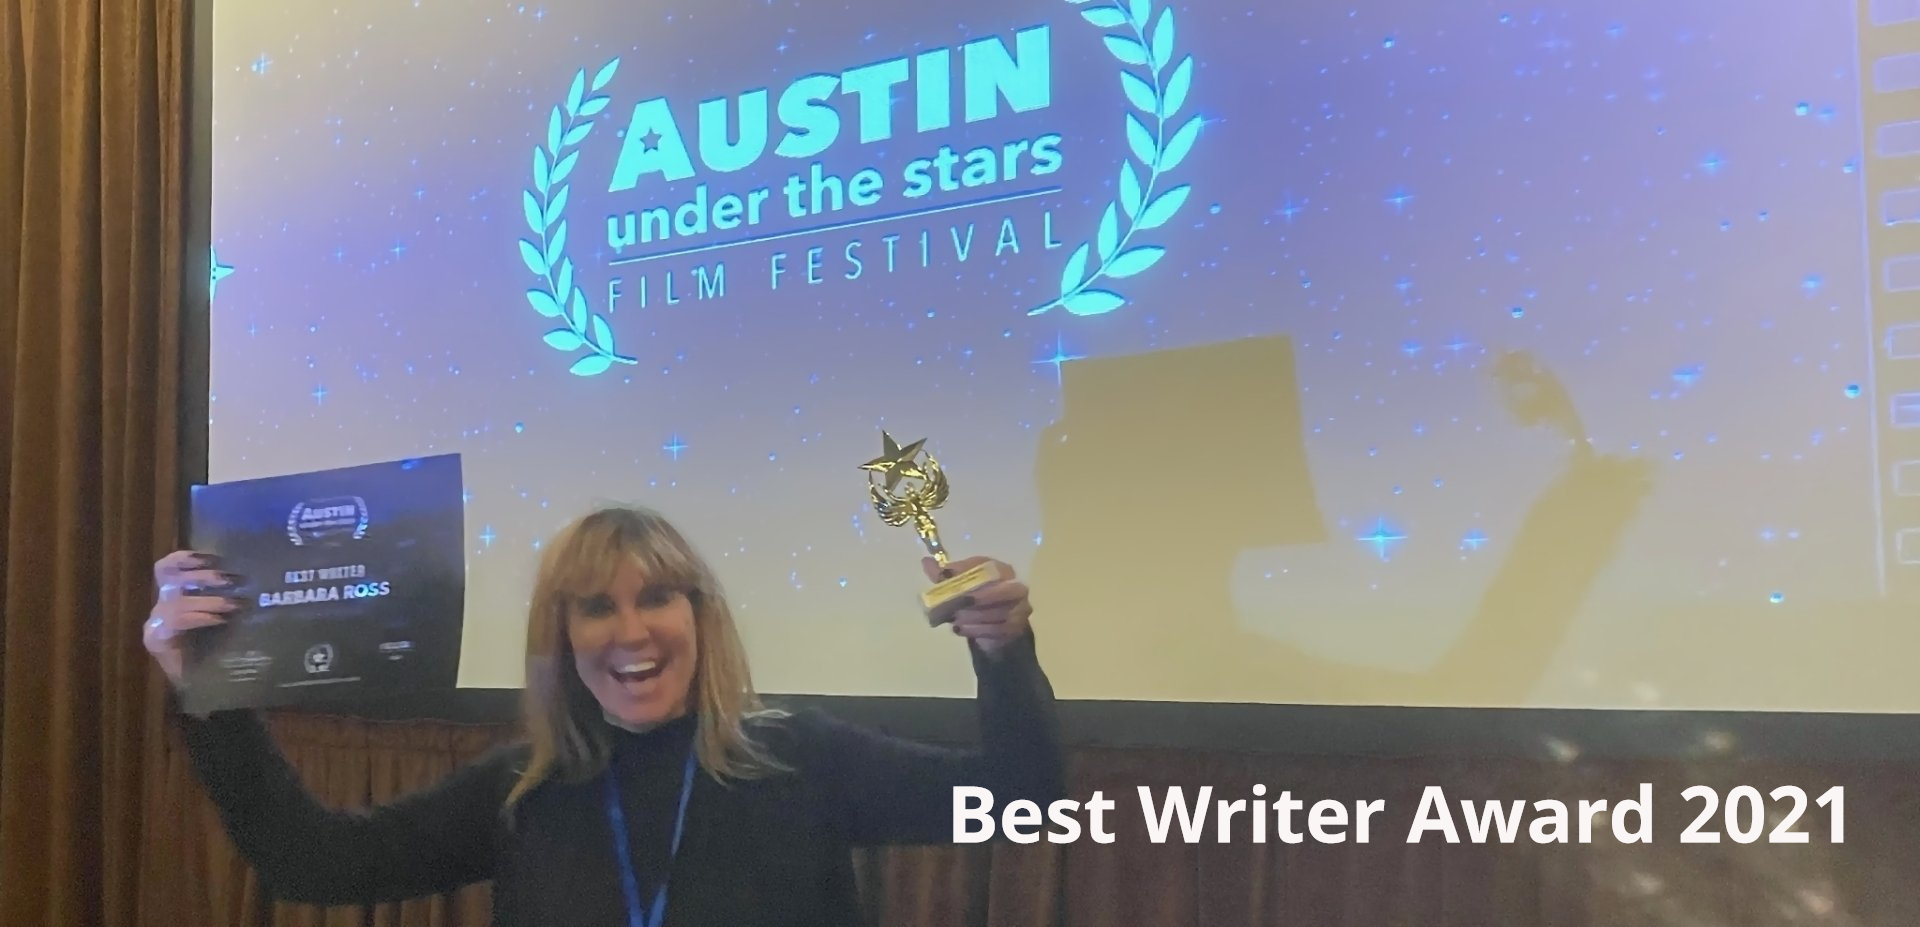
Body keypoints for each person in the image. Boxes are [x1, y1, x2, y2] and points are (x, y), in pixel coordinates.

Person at [146, 505, 1065, 926]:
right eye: (597, 606)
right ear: (565, 634)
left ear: (700, 617)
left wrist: (1002, 651)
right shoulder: (522, 790)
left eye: (658, 597)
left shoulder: (801, 757)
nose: (633, 632)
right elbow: (314, 863)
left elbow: (1028, 802)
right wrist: (208, 689)